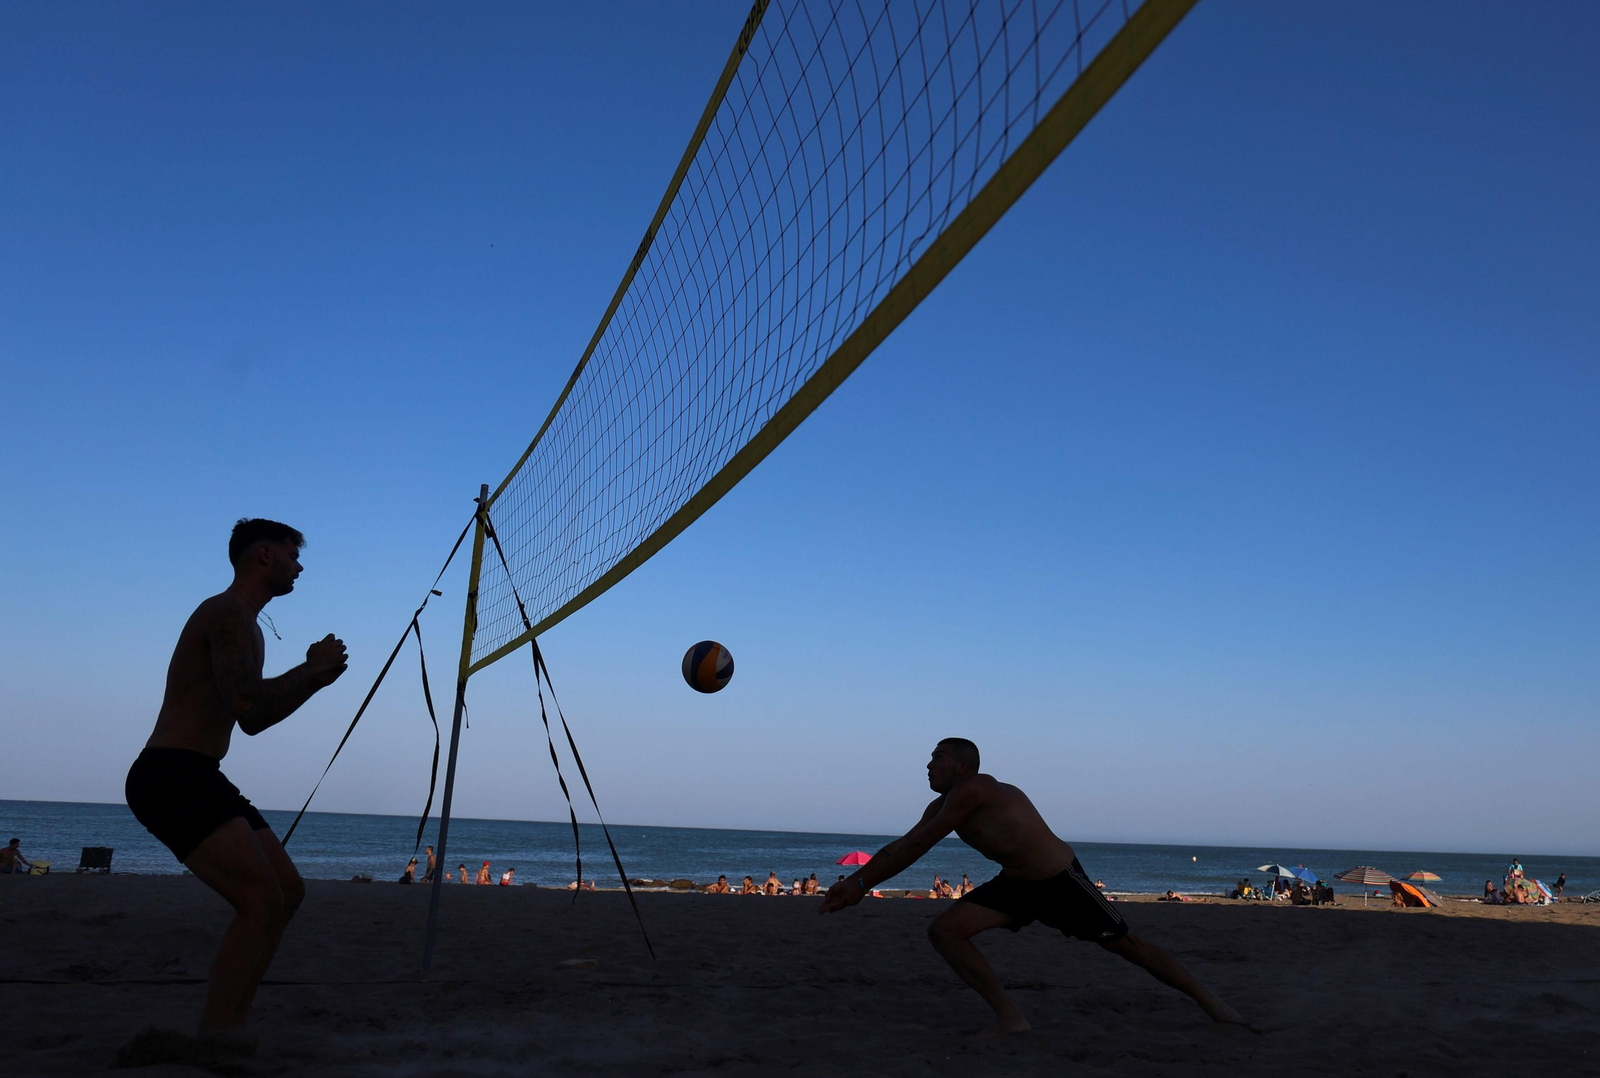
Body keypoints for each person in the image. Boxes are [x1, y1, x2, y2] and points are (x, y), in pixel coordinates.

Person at [820, 739, 1246, 1036]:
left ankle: (1211, 1002)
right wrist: (857, 881)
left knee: (1128, 947)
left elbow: (918, 845)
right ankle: (1010, 1017)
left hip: (1061, 882)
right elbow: (903, 845)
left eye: (938, 757)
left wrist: (861, 884)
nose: (929, 765)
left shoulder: (976, 788)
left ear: (963, 766)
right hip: (1016, 886)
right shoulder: (943, 804)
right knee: (945, 931)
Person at [121, 519, 346, 1058]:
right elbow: (250, 707)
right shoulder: (226, 614)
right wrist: (314, 672)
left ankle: (227, 1027)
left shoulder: (248, 624)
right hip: (170, 774)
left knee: (287, 892)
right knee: (261, 901)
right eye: (293, 555)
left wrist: (313, 677)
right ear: (263, 555)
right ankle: (219, 1036)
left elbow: (252, 719)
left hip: (201, 775)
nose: (300, 565)